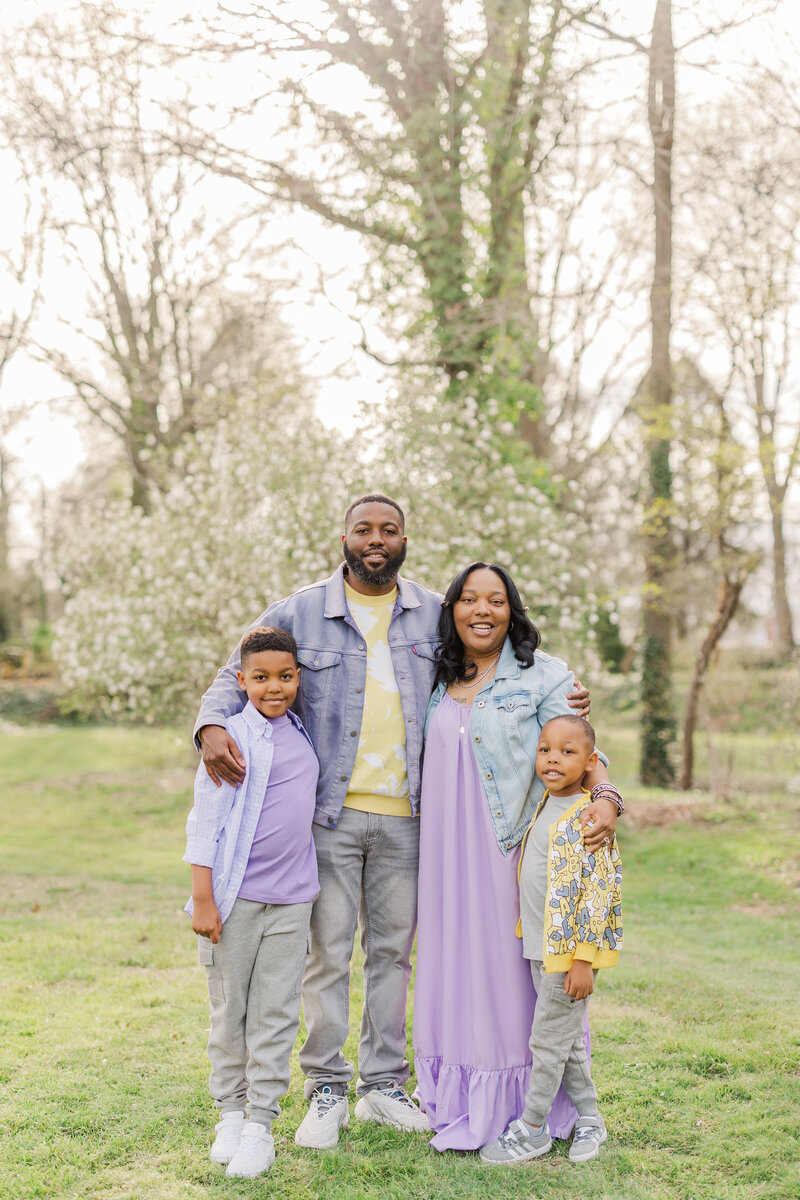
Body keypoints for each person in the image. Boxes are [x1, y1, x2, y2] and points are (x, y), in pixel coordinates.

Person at [194, 500, 598, 1149]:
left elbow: (496, 652)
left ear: (405, 539)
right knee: (327, 953)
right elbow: (232, 671)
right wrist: (213, 725)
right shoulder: (300, 611)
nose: (375, 541)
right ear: (344, 538)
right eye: (364, 530)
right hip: (329, 815)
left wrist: (563, 695)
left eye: (388, 530)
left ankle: (383, 1083)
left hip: (411, 818)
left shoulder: (434, 612)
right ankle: (327, 1086)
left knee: (393, 954)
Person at [413, 563, 623, 1153]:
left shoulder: (545, 675)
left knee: (519, 982)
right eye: (470, 599)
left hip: (509, 851)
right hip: (444, 857)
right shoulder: (435, 674)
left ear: (512, 611)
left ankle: (538, 1107)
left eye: (496, 601)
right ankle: (456, 1096)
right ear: (452, 608)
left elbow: (586, 748)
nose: (483, 610)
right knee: (454, 969)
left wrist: (606, 797)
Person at [184, 626, 320, 1178]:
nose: (274, 687)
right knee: (229, 1011)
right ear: (240, 681)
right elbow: (204, 824)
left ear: (297, 679)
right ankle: (231, 1113)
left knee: (277, 1012)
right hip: (234, 900)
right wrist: (203, 899)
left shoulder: (302, 734)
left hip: (292, 901)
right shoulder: (229, 738)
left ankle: (262, 1122)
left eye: (285, 677)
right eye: (260, 678)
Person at [479, 714, 622, 1166]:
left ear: (590, 762)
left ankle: (534, 1127)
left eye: (567, 751)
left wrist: (583, 961)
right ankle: (590, 1118)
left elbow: (599, 892)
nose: (553, 759)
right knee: (567, 1040)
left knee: (546, 1041)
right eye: (545, 750)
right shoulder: (545, 802)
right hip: (542, 947)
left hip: (569, 956)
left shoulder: (591, 816)